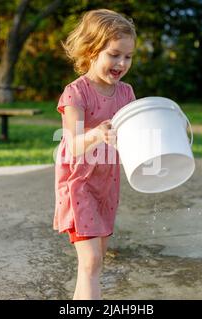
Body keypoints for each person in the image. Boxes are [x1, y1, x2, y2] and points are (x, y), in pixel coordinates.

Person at [53, 8, 136, 300]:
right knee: (91, 261)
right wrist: (97, 134)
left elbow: (129, 139)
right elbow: (72, 145)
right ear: (91, 49)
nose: (122, 63)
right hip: (79, 185)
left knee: (96, 259)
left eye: (128, 57)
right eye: (114, 54)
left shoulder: (126, 93)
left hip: (106, 185)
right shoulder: (76, 93)